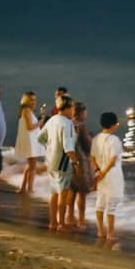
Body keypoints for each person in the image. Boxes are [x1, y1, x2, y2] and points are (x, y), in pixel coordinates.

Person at [38, 96, 81, 230]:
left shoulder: (52, 119)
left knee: (54, 192)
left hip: (50, 160)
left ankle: (53, 222)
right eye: (73, 107)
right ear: (68, 108)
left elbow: (40, 138)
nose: (74, 110)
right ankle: (61, 223)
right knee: (63, 193)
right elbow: (68, 148)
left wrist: (51, 147)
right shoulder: (67, 123)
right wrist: (76, 163)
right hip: (63, 162)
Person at [91, 112, 124, 240]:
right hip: (112, 176)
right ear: (113, 125)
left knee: (100, 203)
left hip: (100, 175)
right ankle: (110, 234)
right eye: (116, 123)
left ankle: (100, 231)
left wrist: (98, 171)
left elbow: (92, 158)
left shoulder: (96, 139)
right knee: (111, 206)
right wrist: (104, 173)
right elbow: (113, 160)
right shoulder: (114, 140)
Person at [65, 101, 93, 229]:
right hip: (80, 161)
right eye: (85, 112)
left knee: (71, 190)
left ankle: (69, 217)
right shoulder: (80, 126)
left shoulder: (67, 123)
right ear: (81, 113)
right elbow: (87, 145)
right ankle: (81, 220)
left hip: (67, 161)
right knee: (82, 192)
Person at [14, 91, 45, 195]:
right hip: (30, 142)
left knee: (30, 166)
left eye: (34, 100)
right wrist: (40, 122)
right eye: (31, 100)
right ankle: (29, 189)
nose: (33, 102)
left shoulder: (27, 111)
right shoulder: (26, 110)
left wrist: (41, 117)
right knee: (32, 167)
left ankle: (23, 188)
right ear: (26, 100)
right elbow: (30, 127)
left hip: (31, 141)